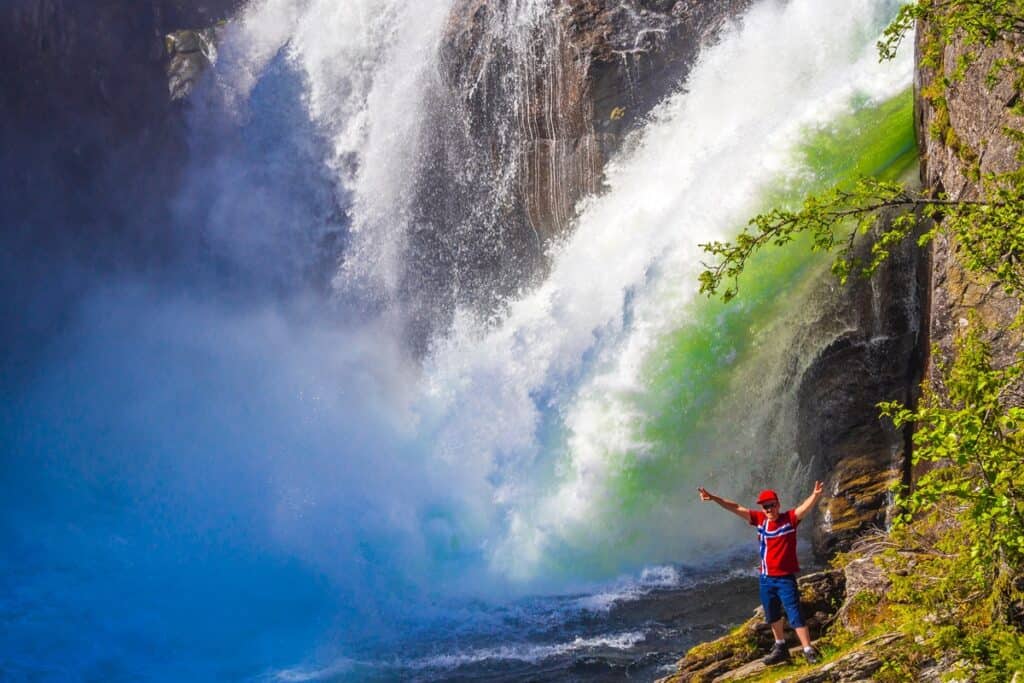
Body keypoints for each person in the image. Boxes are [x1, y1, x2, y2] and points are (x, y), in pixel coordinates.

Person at [697, 482, 825, 665]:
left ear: (778, 505)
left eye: (771, 505)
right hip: (766, 578)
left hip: (785, 578)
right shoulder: (760, 520)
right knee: (772, 614)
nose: (769, 509)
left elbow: (803, 509)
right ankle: (781, 647)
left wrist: (815, 495)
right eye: (765, 506)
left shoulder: (789, 519)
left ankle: (808, 649)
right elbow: (735, 507)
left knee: (795, 613)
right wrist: (714, 498)